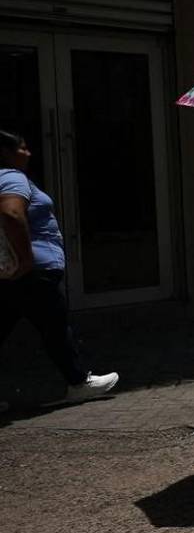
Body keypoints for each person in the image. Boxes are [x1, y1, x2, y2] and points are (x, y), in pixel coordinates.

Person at [0, 130, 119, 405]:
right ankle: (78, 382)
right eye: (23, 147)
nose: (29, 153)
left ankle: (77, 380)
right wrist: (26, 258)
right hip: (32, 270)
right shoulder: (11, 177)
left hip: (21, 271)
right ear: (6, 152)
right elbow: (11, 213)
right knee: (54, 325)